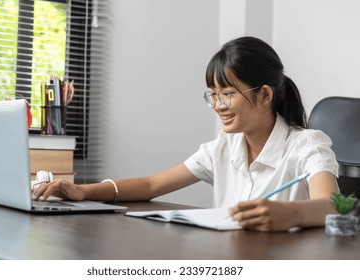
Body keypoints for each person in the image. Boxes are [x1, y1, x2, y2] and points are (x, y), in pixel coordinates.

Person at [33, 36, 339, 232]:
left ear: (265, 95)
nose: (218, 105)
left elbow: (331, 205)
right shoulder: (223, 147)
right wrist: (83, 191)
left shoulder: (306, 144)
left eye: (227, 93)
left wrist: (289, 214)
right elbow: (152, 184)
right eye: (213, 95)